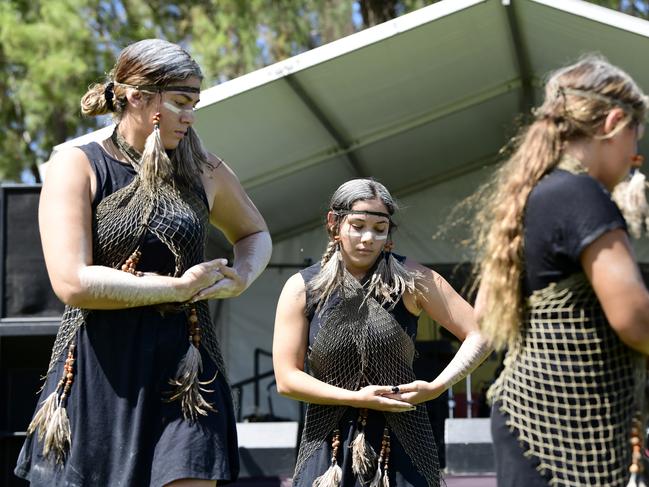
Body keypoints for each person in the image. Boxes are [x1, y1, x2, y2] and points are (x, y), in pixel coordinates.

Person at [14, 39, 272, 487]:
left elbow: (255, 234)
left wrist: (242, 276)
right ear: (136, 96)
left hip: (187, 371)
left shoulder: (205, 170)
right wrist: (175, 288)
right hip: (100, 369)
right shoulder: (77, 166)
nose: (190, 116)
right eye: (179, 102)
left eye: (194, 103)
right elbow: (72, 282)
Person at [473, 55, 649, 486]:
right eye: (634, 138)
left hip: (529, 425)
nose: (635, 157)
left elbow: (482, 315)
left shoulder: (536, 192)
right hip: (559, 436)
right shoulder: (580, 194)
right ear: (613, 122)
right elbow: (635, 320)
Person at [272, 179, 490, 487]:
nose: (368, 238)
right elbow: (286, 378)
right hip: (327, 447)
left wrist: (439, 386)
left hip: (403, 446)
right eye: (358, 225)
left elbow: (482, 334)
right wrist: (354, 398)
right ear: (334, 223)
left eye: (379, 228)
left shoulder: (413, 279)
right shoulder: (302, 287)